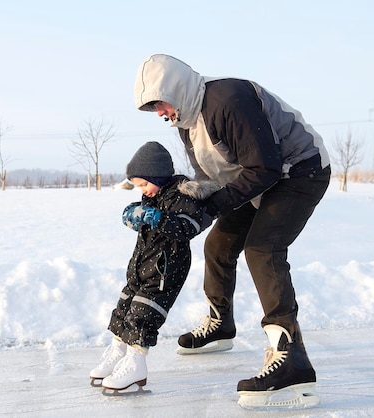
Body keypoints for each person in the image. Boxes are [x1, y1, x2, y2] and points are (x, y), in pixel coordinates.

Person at [133, 54, 331, 408]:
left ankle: (291, 359)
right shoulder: (187, 123)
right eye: (153, 109)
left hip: (299, 172)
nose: (160, 113)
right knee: (218, 245)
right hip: (259, 179)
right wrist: (189, 208)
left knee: (263, 248)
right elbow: (211, 180)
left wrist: (212, 206)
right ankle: (220, 323)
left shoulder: (228, 99)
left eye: (159, 103)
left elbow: (266, 167)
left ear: (175, 90)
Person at [90, 141, 208, 392]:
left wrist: (160, 219)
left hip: (167, 269)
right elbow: (140, 214)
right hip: (141, 266)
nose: (141, 189)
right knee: (124, 307)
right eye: (136, 186)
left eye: (144, 183)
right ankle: (118, 352)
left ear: (158, 175)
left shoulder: (183, 195)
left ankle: (136, 363)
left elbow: (189, 226)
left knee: (144, 315)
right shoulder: (151, 197)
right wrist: (133, 213)